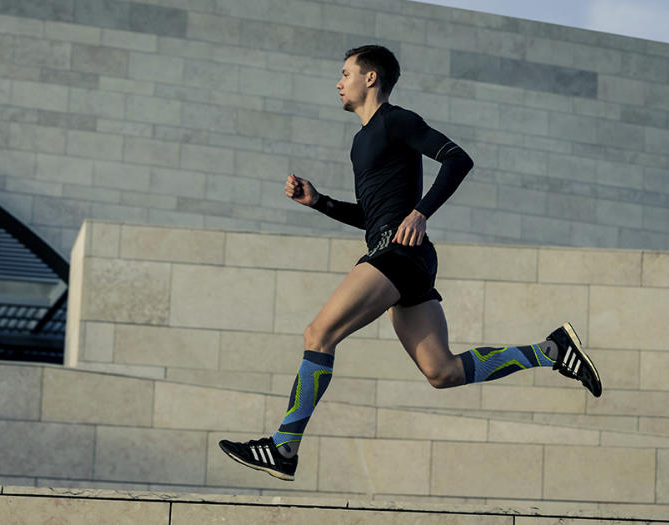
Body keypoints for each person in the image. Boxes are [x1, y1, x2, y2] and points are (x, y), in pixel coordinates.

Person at [219, 45, 601, 481]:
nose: (338, 82)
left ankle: (284, 448)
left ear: (370, 78)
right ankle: (550, 350)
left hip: (397, 253)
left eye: (345, 73)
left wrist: (421, 212)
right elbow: (373, 215)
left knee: (318, 334)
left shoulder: (396, 120)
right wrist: (319, 201)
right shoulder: (361, 141)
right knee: (443, 371)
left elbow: (459, 159)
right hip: (402, 253)